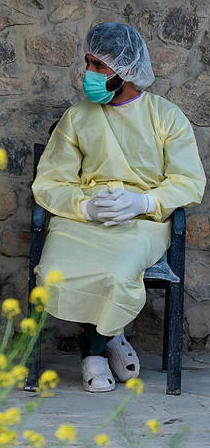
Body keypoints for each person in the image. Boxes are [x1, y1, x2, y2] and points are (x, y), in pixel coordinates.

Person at [32, 23, 205, 393]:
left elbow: (189, 181)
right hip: (81, 221)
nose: (89, 75)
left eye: (98, 66)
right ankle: (113, 336)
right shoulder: (77, 118)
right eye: (88, 64)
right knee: (54, 270)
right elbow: (49, 182)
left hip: (141, 222)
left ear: (125, 70)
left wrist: (144, 201)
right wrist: (86, 207)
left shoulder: (167, 117)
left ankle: (92, 351)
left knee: (116, 273)